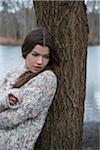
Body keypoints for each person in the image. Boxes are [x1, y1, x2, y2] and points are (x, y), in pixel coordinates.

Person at [0, 27, 59, 150]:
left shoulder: (47, 79)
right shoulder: (13, 72)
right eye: (35, 55)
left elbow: (13, 118)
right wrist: (6, 99)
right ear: (26, 52)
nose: (40, 62)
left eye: (46, 57)